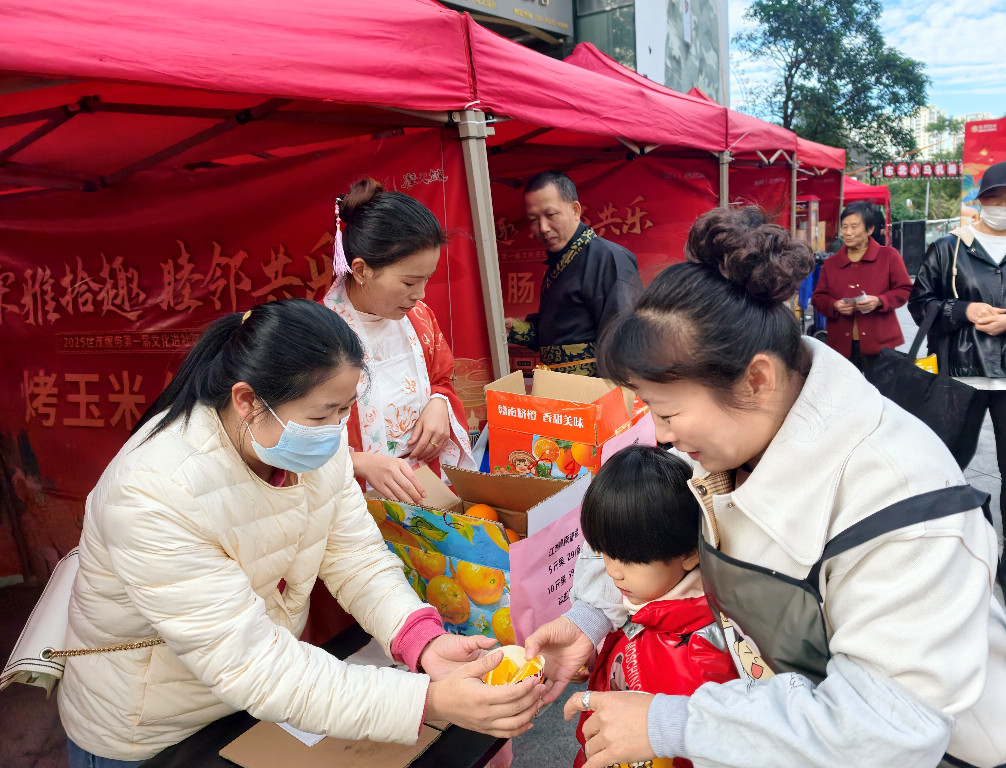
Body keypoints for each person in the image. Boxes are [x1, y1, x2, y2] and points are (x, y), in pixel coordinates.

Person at [525, 207, 1006, 768]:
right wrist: (591, 618)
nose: (659, 436)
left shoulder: (899, 497)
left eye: (666, 412)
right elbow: (650, 531)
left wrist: (674, 721)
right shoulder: (736, 435)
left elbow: (890, 725)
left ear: (756, 378)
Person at [57, 299, 542, 767]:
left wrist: (422, 642)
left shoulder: (309, 446)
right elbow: (253, 666)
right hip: (156, 728)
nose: (335, 433)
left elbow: (358, 559)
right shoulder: (154, 493)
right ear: (247, 401)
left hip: (254, 699)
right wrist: (429, 702)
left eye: (344, 410)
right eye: (320, 415)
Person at [571, 445, 737, 768]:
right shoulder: (642, 603)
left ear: (689, 554)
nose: (613, 570)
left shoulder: (703, 654)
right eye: (604, 551)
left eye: (631, 560)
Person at [910, 159, 1006, 608]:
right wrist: (963, 312)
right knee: (947, 459)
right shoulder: (949, 248)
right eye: (994, 197)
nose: (1003, 206)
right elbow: (922, 303)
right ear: (980, 201)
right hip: (960, 372)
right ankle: (957, 540)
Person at [323, 177, 475, 507]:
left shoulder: (419, 318)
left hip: (425, 489)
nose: (420, 295)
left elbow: (442, 379)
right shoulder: (316, 336)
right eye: (409, 281)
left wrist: (439, 404)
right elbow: (291, 436)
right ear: (361, 270)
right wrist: (358, 463)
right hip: (354, 508)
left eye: (427, 279)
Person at [505, 171, 643, 376]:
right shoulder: (559, 263)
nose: (543, 228)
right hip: (559, 393)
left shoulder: (609, 258)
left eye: (551, 215)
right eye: (533, 220)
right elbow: (560, 340)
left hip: (595, 396)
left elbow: (626, 343)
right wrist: (514, 329)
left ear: (575, 210)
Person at [811, 200, 912, 374]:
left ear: (869, 229)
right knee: (848, 396)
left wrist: (880, 301)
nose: (847, 233)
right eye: (844, 227)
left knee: (883, 396)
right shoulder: (831, 263)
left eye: (854, 227)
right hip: (843, 347)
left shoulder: (888, 256)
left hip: (881, 345)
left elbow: (904, 289)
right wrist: (835, 305)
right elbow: (818, 298)